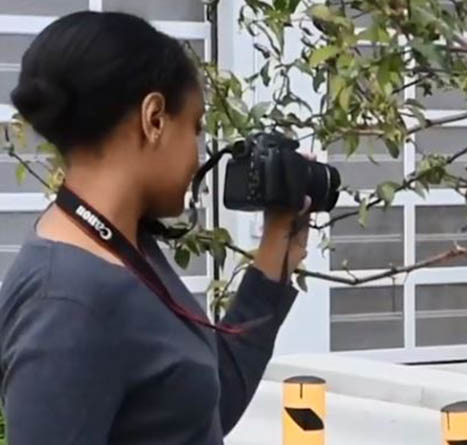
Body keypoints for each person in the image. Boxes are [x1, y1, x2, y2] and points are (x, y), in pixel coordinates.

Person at [0, 11, 311, 445]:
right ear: (155, 118)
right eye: (197, 127)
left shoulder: (125, 248)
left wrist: (278, 243)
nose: (198, 154)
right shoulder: (66, 302)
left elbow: (200, 407)